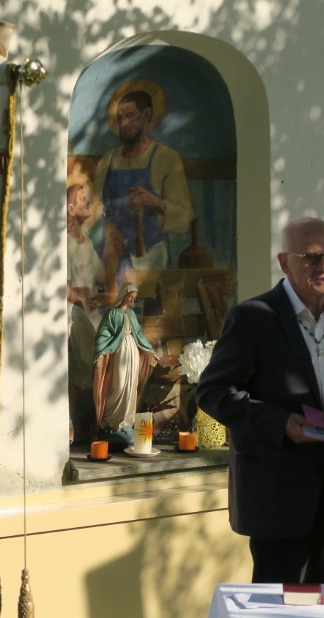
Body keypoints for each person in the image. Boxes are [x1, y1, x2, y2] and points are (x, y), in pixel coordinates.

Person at [196, 217, 324, 585]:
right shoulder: (253, 318)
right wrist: (280, 422)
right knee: (279, 611)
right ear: (285, 262)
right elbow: (213, 392)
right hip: (276, 499)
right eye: (312, 258)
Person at [93, 89, 194, 290]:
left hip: (151, 258)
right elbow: (94, 213)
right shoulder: (107, 161)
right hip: (113, 258)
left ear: (146, 115)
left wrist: (154, 203)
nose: (123, 123)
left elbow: (184, 218)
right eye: (119, 117)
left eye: (129, 115)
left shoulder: (166, 158)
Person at [92, 282, 159, 448]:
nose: (131, 300)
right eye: (130, 296)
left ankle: (125, 423)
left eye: (134, 297)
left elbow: (139, 334)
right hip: (120, 350)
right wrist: (100, 353)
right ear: (123, 295)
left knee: (130, 386)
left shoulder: (131, 313)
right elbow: (103, 333)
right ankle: (110, 421)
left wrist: (150, 351)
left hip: (133, 351)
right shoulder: (112, 313)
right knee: (119, 384)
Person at [66, 183, 104, 446]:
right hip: (74, 311)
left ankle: (102, 420)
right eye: (81, 199)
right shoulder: (65, 242)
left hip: (91, 311)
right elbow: (64, 286)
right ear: (70, 209)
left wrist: (116, 253)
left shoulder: (87, 242)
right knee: (84, 341)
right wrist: (80, 299)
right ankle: (73, 422)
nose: (87, 202)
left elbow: (100, 276)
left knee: (111, 339)